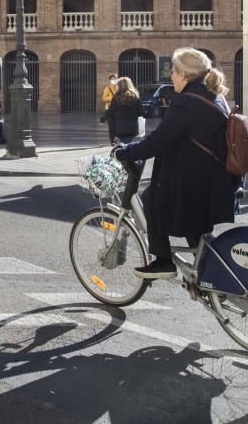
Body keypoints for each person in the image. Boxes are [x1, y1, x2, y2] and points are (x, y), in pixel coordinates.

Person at [113, 48, 239, 279]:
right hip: (217, 178)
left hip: (201, 182)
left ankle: (163, 262)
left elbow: (158, 141)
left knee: (152, 198)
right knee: (194, 229)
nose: (171, 76)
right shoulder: (213, 94)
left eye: (173, 71)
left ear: (183, 74)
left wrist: (125, 152)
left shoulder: (186, 102)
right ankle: (209, 277)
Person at [99, 76, 145, 145]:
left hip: (120, 128)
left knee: (124, 144)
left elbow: (110, 111)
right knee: (127, 144)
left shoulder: (116, 97)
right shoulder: (135, 96)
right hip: (132, 127)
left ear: (119, 86)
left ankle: (124, 153)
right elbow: (142, 112)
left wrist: (102, 120)